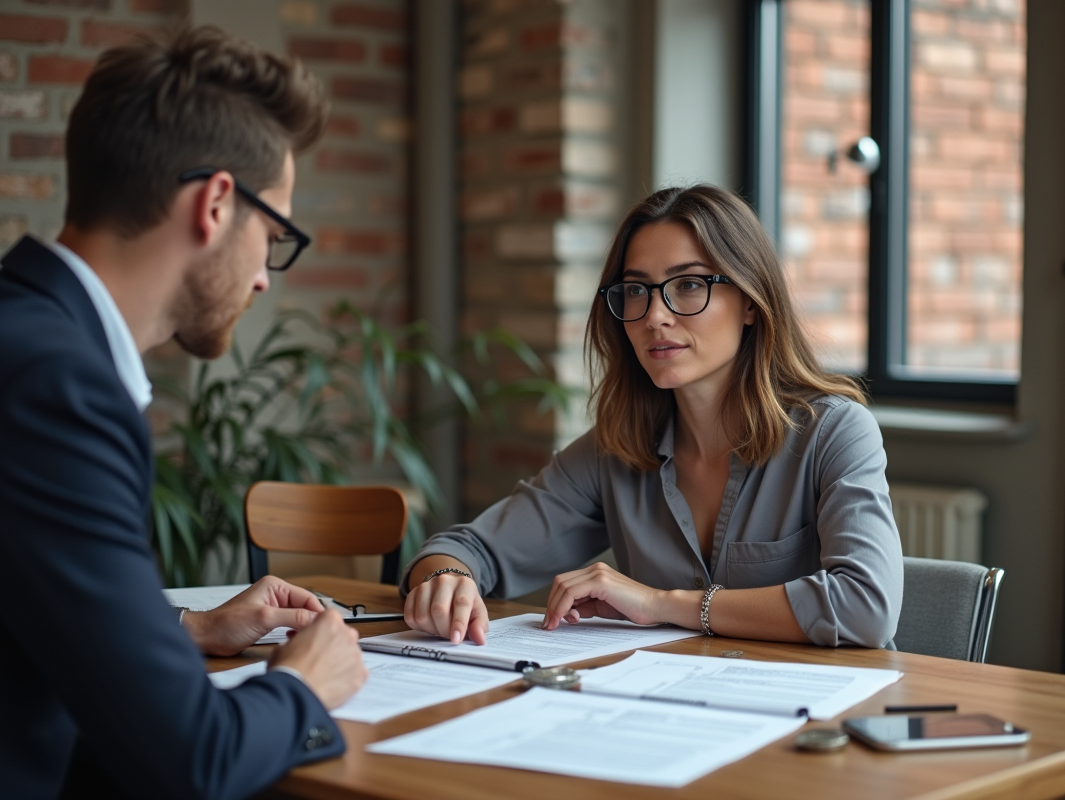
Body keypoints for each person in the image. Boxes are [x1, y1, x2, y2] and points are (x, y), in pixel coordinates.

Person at [0, 26, 367, 800]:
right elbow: (189, 762)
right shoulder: (58, 387)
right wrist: (305, 686)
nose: (266, 278)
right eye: (274, 237)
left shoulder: (24, 335)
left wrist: (184, 631)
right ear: (216, 203)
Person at [402, 185, 903, 650]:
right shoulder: (616, 449)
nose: (654, 315)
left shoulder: (834, 432)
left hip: (817, 722)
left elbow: (865, 607)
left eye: (688, 285)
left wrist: (660, 605)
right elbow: (467, 548)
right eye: (636, 291)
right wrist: (445, 580)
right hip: (664, 717)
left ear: (750, 302)